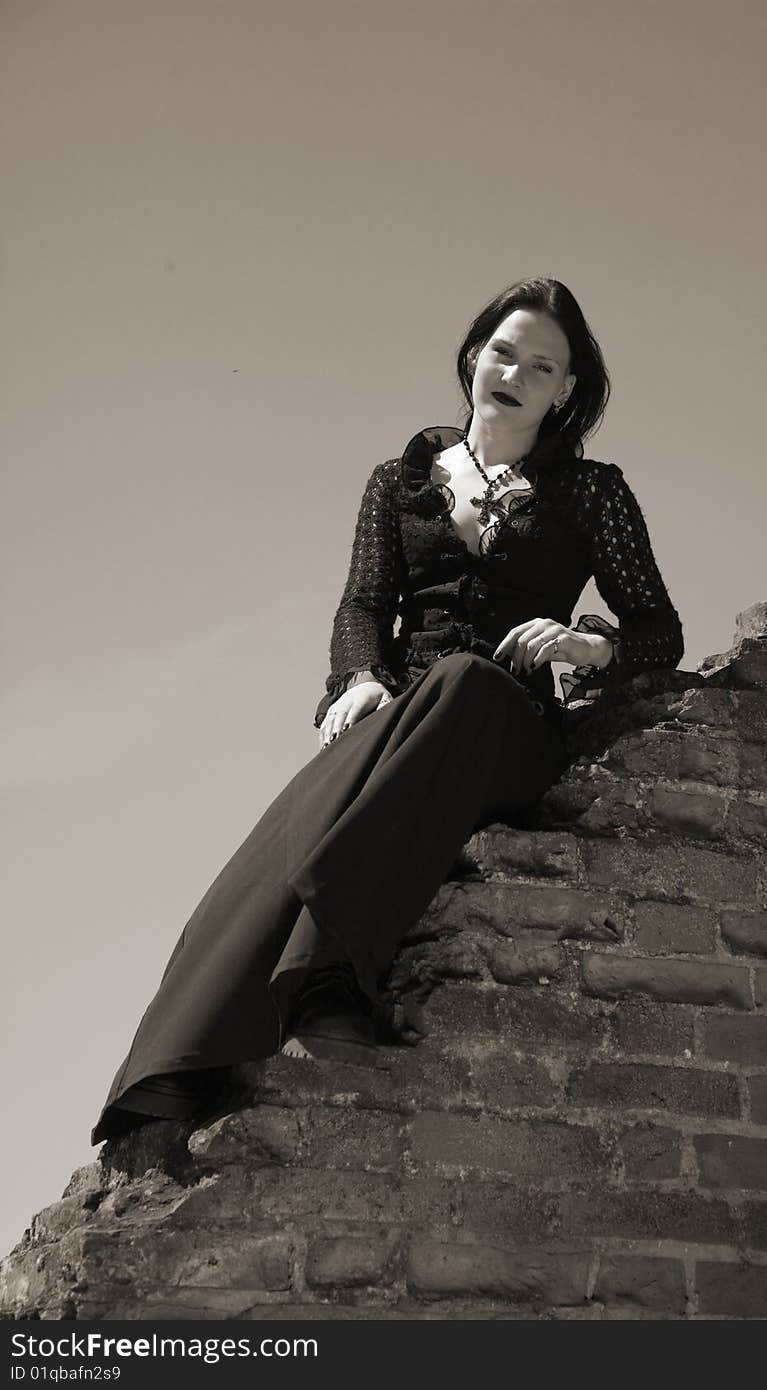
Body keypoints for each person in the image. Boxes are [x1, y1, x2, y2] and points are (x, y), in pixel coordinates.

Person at [91, 276, 684, 1146]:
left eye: (543, 364)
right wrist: (359, 678)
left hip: (507, 729)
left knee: (468, 683)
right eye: (504, 351)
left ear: (566, 390)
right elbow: (361, 604)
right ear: (474, 356)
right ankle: (170, 1076)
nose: (515, 371)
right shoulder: (398, 481)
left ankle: (328, 981)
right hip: (401, 713)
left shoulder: (595, 493)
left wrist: (587, 645)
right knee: (291, 821)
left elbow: (658, 631)